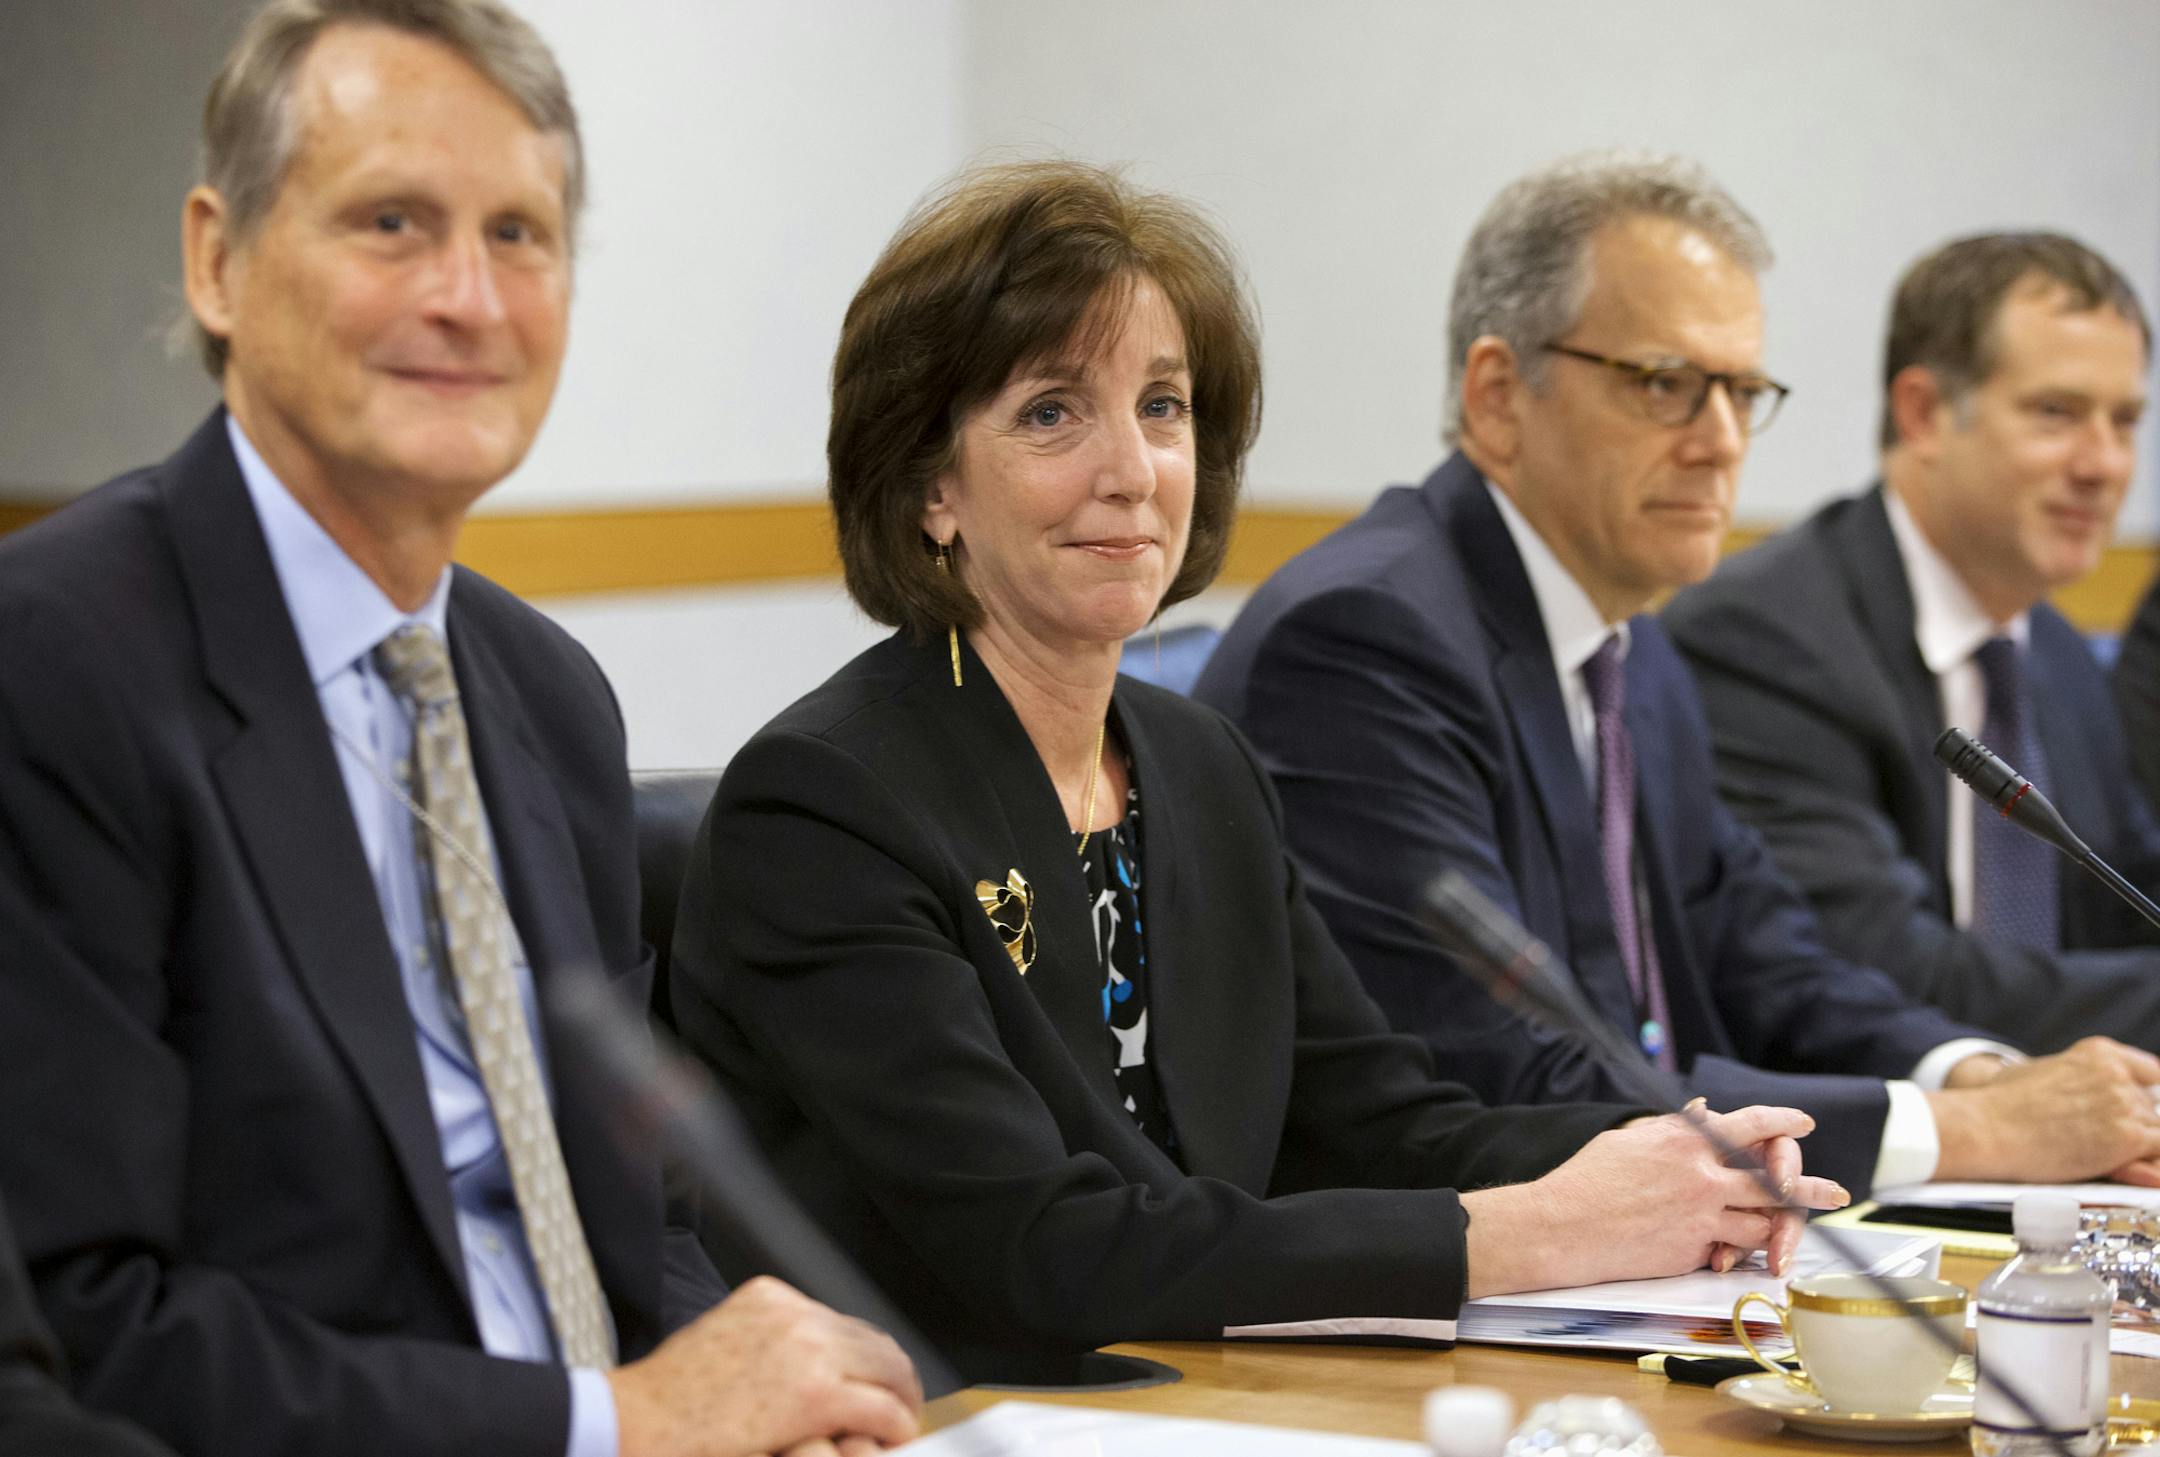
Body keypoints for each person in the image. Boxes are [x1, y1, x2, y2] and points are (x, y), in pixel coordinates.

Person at [667, 159, 1847, 1387]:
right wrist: (1535, 1227)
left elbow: (1381, 1120)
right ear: (931, 486)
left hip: (1210, 1393)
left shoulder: (1193, 762)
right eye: (1051, 413)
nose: (1132, 469)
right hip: (968, 1411)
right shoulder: (826, 803)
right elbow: (1043, 1245)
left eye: (1164, 405)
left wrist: (1669, 1156)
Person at [0, 3, 919, 1455]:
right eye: (391, 222)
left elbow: (634, 1225)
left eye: (519, 236)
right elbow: (88, 1332)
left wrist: (758, 1399)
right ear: (217, 258)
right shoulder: (54, 664)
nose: (470, 300)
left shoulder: (547, 696)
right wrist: (609, 1423)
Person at [1195, 152, 2160, 1199]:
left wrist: (1985, 1075)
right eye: (1666, 384)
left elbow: (1770, 959)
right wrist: (1963, 1129)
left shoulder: (1630, 644)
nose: (1722, 441)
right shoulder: (1367, 638)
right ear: (1498, 395)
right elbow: (1504, 1067)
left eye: (1743, 391)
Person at [1665, 233, 2160, 1054]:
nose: (2104, 464)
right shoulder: (1766, 641)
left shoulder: (2059, 658)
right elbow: (1887, 973)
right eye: (2057, 413)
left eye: (2126, 421)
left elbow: (2126, 906)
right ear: (1923, 413)